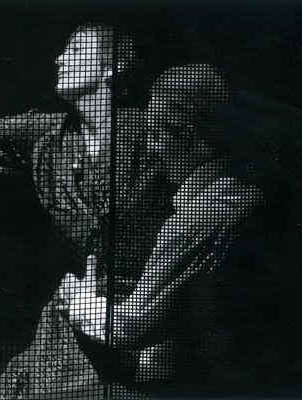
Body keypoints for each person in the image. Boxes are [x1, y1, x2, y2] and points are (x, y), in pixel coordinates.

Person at [0, 23, 171, 398]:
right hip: (69, 320)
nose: (60, 58)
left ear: (111, 67)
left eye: (76, 49)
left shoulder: (149, 137)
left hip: (135, 322)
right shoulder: (51, 135)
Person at [58, 64, 273, 396]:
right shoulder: (250, 194)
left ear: (186, 137)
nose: (152, 151)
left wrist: (80, 301)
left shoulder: (195, 219)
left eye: (155, 135)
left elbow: (127, 328)